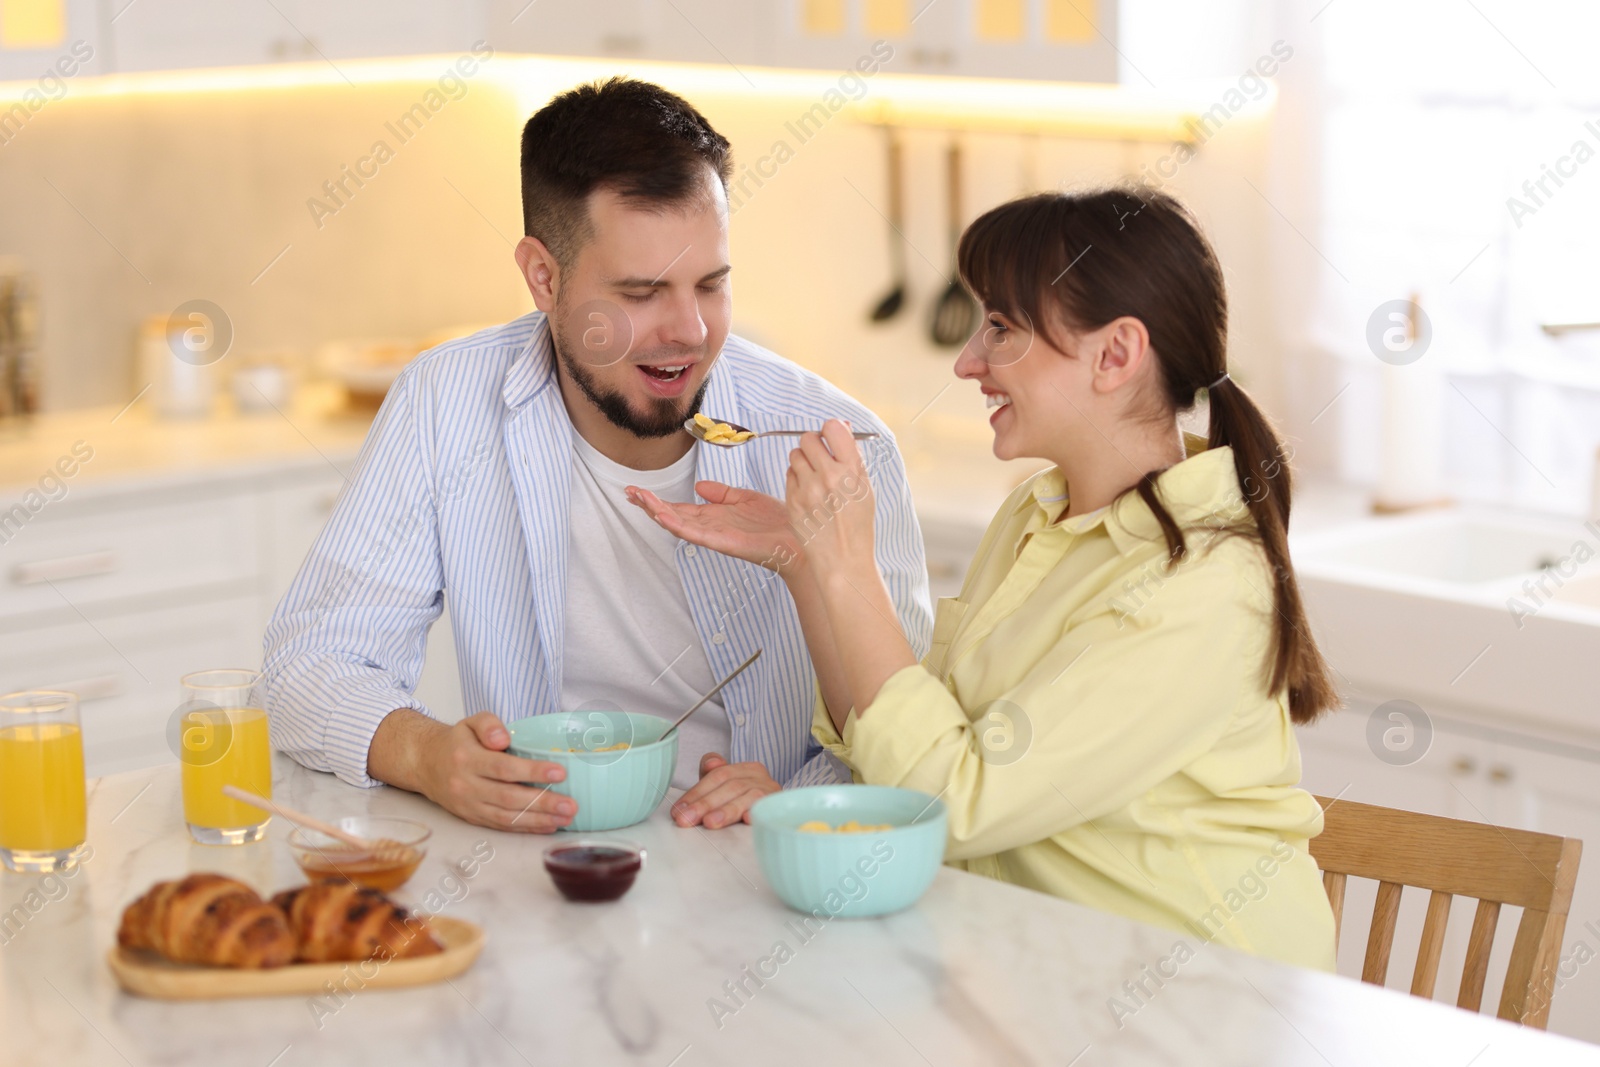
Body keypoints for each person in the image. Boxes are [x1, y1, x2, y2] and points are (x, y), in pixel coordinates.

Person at [632, 187, 1340, 969]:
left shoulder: (1205, 584)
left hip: (1204, 1003)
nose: (969, 360)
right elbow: (910, 746)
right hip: (1040, 969)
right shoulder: (1037, 515)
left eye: (1001, 328)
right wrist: (809, 568)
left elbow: (951, 800)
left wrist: (848, 570)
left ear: (1116, 354)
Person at [262, 78, 932, 834]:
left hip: (767, 874)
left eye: (710, 285)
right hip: (542, 871)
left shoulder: (837, 442)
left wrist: (804, 795)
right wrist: (424, 753)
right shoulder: (443, 404)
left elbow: (918, 741)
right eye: (643, 292)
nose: (688, 330)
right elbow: (305, 665)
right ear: (544, 277)